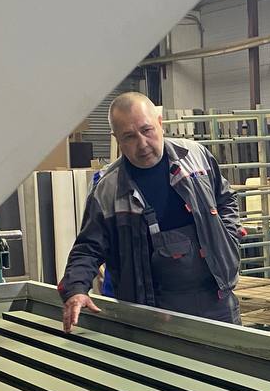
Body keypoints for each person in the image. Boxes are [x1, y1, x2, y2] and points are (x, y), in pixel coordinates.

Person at [59, 92, 243, 330]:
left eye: (147, 130)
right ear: (117, 139)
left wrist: (228, 236)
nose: (142, 144)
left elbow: (226, 198)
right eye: (129, 136)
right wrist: (76, 289)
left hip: (217, 301)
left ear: (160, 123)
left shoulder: (196, 157)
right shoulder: (108, 189)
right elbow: (88, 248)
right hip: (154, 313)